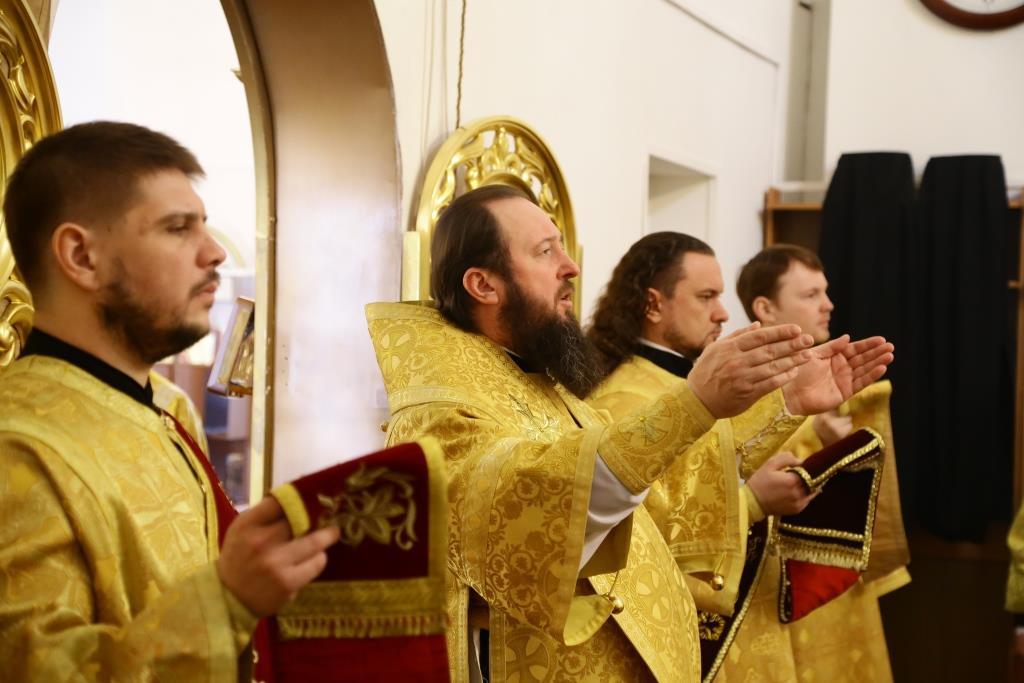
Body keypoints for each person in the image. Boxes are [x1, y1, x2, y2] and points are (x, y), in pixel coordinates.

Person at [365, 185, 893, 682]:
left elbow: (657, 488)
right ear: (484, 285)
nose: (571, 266)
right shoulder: (445, 413)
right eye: (546, 251)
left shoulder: (534, 381)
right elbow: (544, 508)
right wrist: (695, 408)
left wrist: (786, 402)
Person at [0, 121, 339, 681]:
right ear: (81, 256)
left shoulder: (166, 405)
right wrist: (227, 600)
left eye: (203, 225)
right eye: (178, 228)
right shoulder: (17, 445)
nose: (214, 252)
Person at [586, 233, 895, 680]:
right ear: (654, 305)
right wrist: (751, 501)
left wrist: (792, 403)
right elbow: (633, 537)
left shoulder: (685, 382)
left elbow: (712, 459)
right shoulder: (623, 399)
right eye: (706, 296)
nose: (723, 312)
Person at [731, 243, 910, 681]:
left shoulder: (833, 371)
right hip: (775, 576)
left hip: (836, 571)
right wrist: (819, 442)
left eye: (825, 292)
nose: (828, 304)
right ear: (765, 308)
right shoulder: (736, 380)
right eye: (811, 294)